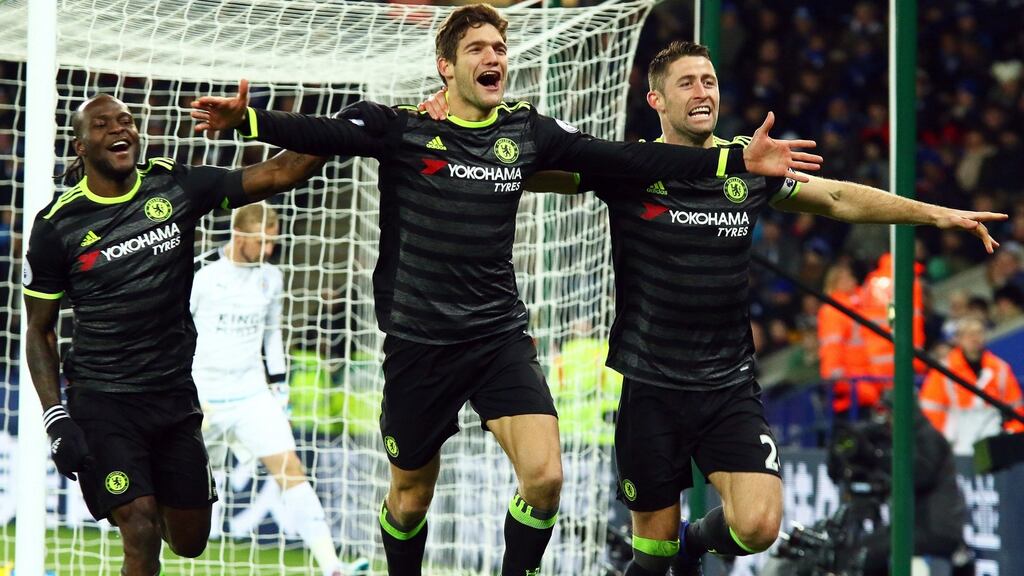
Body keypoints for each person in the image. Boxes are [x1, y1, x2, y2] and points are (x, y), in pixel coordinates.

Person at [190, 6, 822, 575]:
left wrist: (731, 161)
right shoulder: (402, 129)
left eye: (499, 47)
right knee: (409, 499)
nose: (494, 57)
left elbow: (628, 161)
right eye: (478, 49)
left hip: (497, 337)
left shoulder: (526, 132)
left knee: (545, 477)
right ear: (446, 67)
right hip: (419, 343)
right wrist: (249, 117)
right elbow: (325, 136)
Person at [418, 40, 1006, 576]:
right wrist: (460, 118)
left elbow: (836, 197)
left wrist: (936, 213)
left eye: (710, 81)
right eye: (688, 83)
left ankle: (696, 545)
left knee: (757, 525)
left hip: (728, 386)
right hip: (651, 384)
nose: (703, 92)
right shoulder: (628, 169)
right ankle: (671, 550)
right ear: (656, 99)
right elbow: (522, 168)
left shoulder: (747, 166)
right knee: (651, 548)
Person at [22, 94, 328, 576]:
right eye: (102, 125)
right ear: (80, 146)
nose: (119, 129)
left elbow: (281, 173)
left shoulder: (174, 186)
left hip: (173, 399)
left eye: (126, 120)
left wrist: (334, 130)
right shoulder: (56, 226)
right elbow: (39, 331)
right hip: (103, 400)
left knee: (189, 541)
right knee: (139, 528)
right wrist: (56, 418)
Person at [190, 203, 367, 576]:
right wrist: (186, 394)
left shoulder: (271, 277)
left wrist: (280, 387)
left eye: (272, 242)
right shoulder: (202, 275)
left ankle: (333, 567)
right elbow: (177, 335)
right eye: (263, 242)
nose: (269, 250)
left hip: (252, 395)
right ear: (240, 235)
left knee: (292, 471)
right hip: (203, 398)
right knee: (179, 484)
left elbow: (271, 335)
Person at [920, 317, 1024, 456]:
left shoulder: (1000, 368)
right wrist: (945, 439)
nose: (975, 339)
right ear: (959, 339)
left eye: (979, 333)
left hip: (994, 442)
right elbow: (930, 410)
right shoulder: (943, 371)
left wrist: (1009, 434)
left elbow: (1016, 409)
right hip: (957, 445)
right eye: (969, 334)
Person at [817, 262, 873, 418]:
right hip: (849, 387)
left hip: (861, 383)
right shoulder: (834, 311)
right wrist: (839, 382)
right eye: (848, 278)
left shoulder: (854, 308)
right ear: (837, 282)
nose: (854, 281)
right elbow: (832, 347)